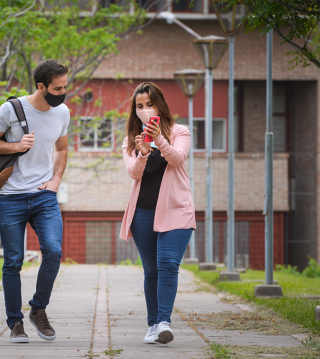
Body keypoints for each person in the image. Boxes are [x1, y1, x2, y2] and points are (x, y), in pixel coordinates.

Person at [0, 59, 70, 343]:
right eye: (58, 88)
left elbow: (62, 148)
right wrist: (17, 146)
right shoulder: (12, 109)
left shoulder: (62, 112)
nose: (63, 92)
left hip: (44, 196)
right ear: (41, 87)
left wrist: (56, 181)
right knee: (13, 261)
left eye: (65, 86)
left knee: (53, 251)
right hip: (12, 196)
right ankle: (15, 323)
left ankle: (38, 309)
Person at [118, 82, 196, 345]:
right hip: (143, 214)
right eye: (139, 106)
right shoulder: (131, 140)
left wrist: (158, 139)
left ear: (159, 105)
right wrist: (142, 152)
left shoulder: (180, 131)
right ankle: (153, 325)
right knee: (151, 271)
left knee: (168, 265)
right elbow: (134, 173)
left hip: (177, 212)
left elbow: (176, 159)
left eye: (149, 104)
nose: (144, 110)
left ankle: (164, 322)